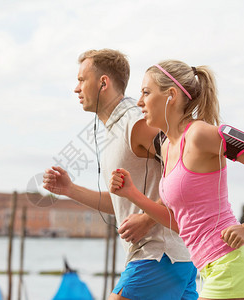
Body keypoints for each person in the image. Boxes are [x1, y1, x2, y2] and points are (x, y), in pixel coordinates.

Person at [109, 59, 244, 300]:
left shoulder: (199, 134)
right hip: (212, 268)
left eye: (145, 92)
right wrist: (132, 194)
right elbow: (180, 223)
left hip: (231, 264)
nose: (139, 101)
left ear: (170, 95)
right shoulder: (166, 147)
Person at [43, 50, 198, 300]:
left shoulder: (135, 123)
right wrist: (70, 190)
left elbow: (188, 168)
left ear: (103, 82)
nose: (76, 88)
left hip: (158, 256)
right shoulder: (116, 129)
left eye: (82, 79)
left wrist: (148, 218)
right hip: (173, 259)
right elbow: (121, 204)